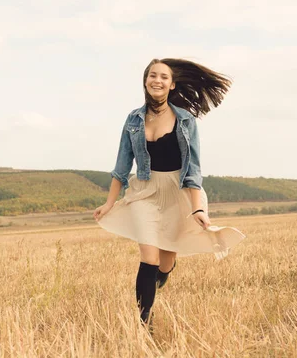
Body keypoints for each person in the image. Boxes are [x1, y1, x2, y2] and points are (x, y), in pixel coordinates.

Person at [93, 58, 245, 327]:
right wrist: (109, 203)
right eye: (153, 75)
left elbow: (193, 169)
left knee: (164, 263)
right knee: (148, 258)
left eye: (163, 76)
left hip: (177, 193)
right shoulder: (133, 119)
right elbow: (121, 166)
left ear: (172, 84)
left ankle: (162, 277)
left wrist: (198, 208)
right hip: (145, 192)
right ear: (145, 80)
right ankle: (144, 324)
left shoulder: (185, 120)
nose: (157, 80)